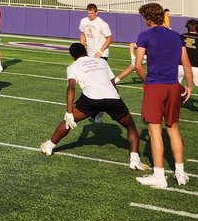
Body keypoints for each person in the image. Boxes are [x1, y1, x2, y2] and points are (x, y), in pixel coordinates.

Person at [41, 42, 147, 171]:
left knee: (68, 121)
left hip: (91, 98)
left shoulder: (73, 66)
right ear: (85, 51)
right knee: (130, 126)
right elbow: (112, 82)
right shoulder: (102, 62)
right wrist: (114, 99)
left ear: (73, 57)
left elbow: (71, 87)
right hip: (112, 97)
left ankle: (49, 146)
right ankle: (135, 159)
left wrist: (69, 112)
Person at [130, 2, 194, 189]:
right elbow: (186, 64)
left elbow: (139, 65)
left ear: (148, 18)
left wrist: (147, 81)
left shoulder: (145, 35)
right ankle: (180, 173)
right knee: (173, 128)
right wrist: (189, 86)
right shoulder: (176, 36)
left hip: (156, 86)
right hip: (174, 85)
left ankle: (159, 175)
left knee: (154, 130)